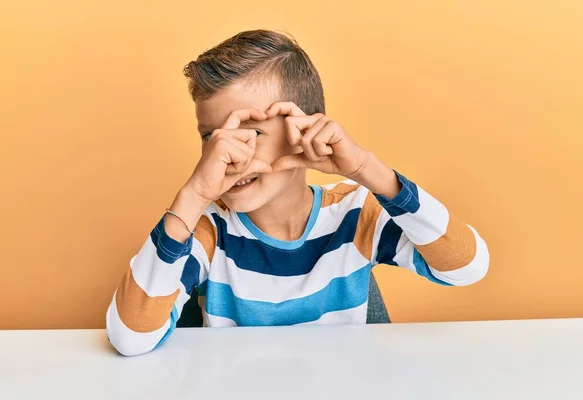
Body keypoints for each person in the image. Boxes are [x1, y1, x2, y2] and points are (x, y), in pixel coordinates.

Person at [106, 29, 490, 356]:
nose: (226, 156)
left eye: (251, 134)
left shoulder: (355, 214)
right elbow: (131, 338)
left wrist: (365, 169)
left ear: (304, 131)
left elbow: (467, 268)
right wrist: (193, 194)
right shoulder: (206, 231)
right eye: (211, 136)